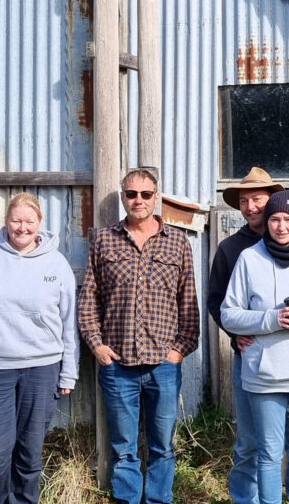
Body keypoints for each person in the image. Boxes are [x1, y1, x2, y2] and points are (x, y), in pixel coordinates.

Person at [208, 167, 289, 504]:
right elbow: (219, 302)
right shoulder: (234, 250)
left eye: (257, 199)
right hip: (255, 359)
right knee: (253, 442)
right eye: (244, 201)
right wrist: (235, 335)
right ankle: (247, 499)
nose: (250, 207)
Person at [77, 169, 200, 504]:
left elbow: (188, 302)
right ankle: (127, 499)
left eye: (146, 194)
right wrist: (97, 345)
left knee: (162, 446)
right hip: (118, 366)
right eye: (132, 194)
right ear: (123, 197)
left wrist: (179, 350)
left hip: (163, 364)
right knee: (123, 449)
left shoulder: (177, 242)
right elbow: (88, 298)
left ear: (155, 196)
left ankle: (159, 499)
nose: (139, 201)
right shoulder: (104, 240)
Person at [0, 192, 80, 504]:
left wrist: (68, 373)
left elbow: (69, 321)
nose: (22, 227)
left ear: (40, 223)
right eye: (16, 220)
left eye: (29, 221)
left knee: (29, 453)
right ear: (6, 221)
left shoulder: (56, 263)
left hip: (42, 368)